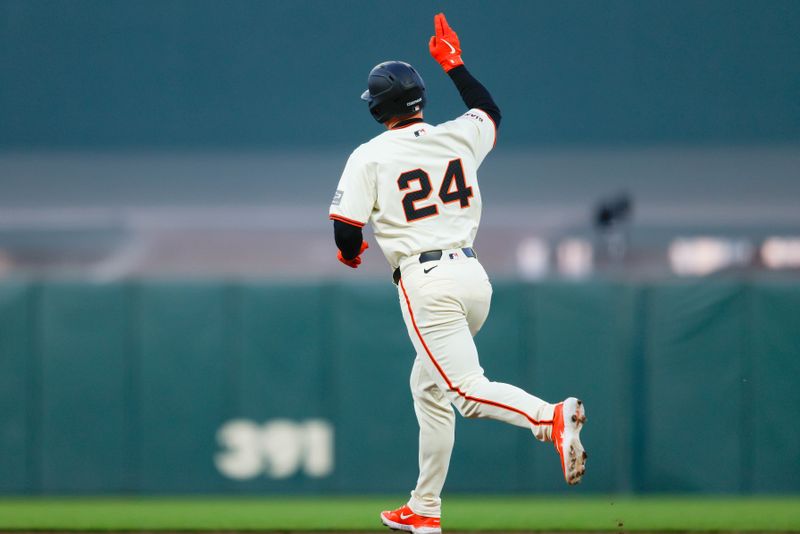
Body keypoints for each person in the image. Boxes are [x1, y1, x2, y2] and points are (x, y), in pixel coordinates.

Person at [329, 13, 587, 534]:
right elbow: (487, 109)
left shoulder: (370, 156)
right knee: (429, 388)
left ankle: (549, 418)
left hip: (427, 284)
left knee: (466, 393)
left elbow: (345, 230)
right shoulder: (458, 137)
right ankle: (424, 509)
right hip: (473, 278)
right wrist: (455, 64)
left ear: (379, 106)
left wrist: (352, 255)